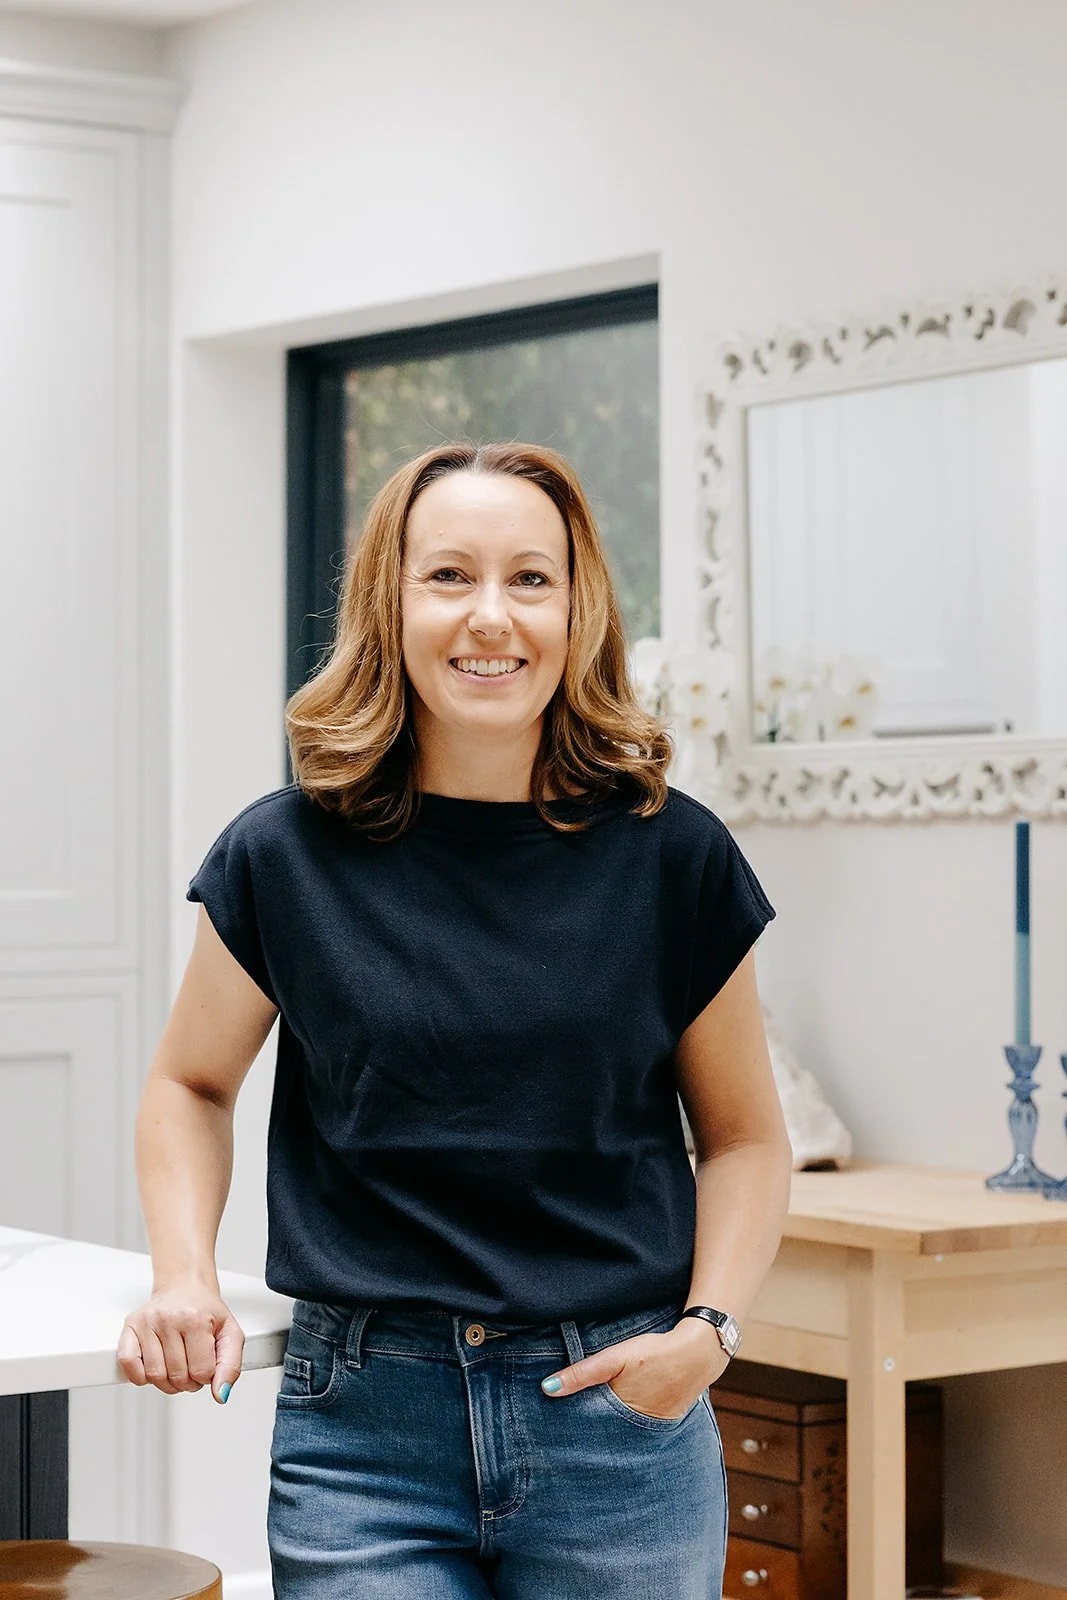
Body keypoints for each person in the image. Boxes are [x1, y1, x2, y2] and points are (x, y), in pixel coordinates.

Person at [118, 440, 792, 1600]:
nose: (492, 617)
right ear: (391, 600)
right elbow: (190, 1083)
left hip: (614, 1421)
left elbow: (743, 1136)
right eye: (448, 577)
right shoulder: (282, 855)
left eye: (530, 578)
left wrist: (707, 1334)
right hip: (363, 1435)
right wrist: (185, 1274)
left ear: (575, 608)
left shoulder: (671, 854)